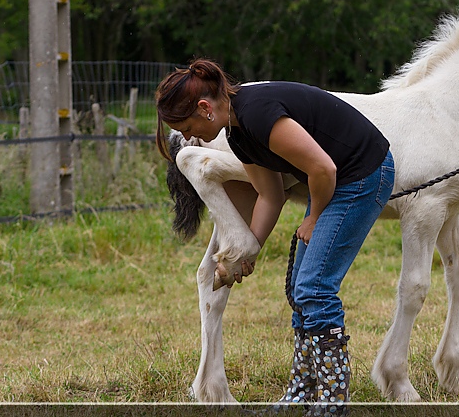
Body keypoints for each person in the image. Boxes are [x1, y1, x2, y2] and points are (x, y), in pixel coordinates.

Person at [155, 58, 394, 415]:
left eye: (186, 126)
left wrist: (313, 217)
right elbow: (271, 195)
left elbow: (322, 167)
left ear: (205, 108)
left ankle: (331, 401)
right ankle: (303, 390)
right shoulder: (237, 131)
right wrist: (248, 252)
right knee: (300, 287)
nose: (188, 137)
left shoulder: (258, 113)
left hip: (361, 175)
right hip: (334, 179)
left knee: (314, 287)